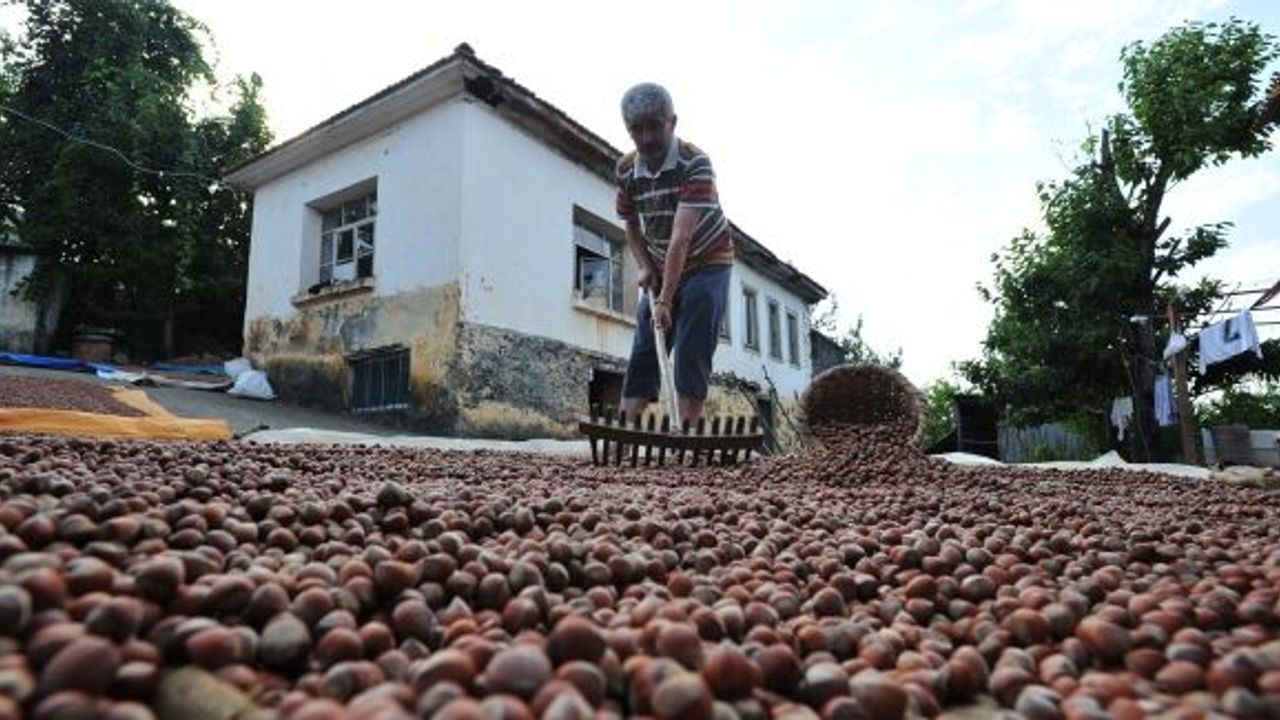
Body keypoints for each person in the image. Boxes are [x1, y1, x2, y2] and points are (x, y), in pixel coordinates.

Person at [615, 83, 733, 426]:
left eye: (655, 126)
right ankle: (625, 433)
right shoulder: (625, 170)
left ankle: (686, 434)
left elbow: (681, 237)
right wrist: (643, 265)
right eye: (637, 129)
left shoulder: (695, 163)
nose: (647, 138)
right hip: (661, 263)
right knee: (645, 345)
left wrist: (666, 301)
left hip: (707, 260)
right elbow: (631, 225)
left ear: (673, 122)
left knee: (693, 343)